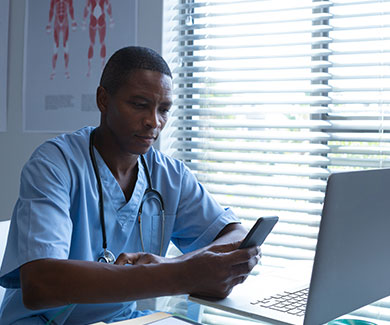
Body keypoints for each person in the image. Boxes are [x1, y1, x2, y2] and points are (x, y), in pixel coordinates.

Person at [0, 46, 260, 324]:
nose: (153, 122)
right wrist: (181, 275)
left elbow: (235, 234)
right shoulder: (55, 164)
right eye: (139, 105)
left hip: (123, 320)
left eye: (164, 109)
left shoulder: (168, 175)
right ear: (103, 99)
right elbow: (41, 284)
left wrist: (173, 266)